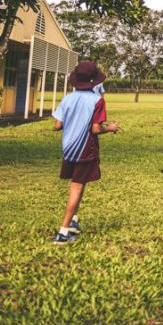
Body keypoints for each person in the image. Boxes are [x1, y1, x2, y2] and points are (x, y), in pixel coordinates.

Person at [51, 61, 119, 244]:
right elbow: (96, 129)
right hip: (85, 148)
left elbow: (56, 125)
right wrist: (110, 128)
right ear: (93, 80)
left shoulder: (67, 98)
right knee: (77, 186)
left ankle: (73, 220)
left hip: (68, 148)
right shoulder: (97, 100)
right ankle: (63, 232)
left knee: (80, 183)